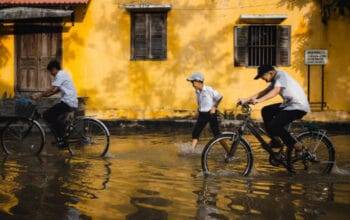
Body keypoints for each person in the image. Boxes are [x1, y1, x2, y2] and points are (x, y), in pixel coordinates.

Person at [237, 65, 310, 173]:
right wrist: (246, 99)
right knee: (266, 111)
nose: (263, 79)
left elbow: (275, 91)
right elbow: (264, 91)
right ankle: (276, 141)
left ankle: (298, 146)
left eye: (263, 76)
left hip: (298, 106)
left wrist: (258, 100)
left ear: (270, 73)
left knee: (275, 125)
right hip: (289, 105)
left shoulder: (281, 76)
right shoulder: (276, 78)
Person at [31, 60, 78, 148]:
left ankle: (61, 139)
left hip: (68, 102)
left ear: (54, 69)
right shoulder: (64, 74)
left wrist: (39, 95)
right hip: (70, 101)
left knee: (47, 115)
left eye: (51, 71)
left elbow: (53, 88)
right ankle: (62, 138)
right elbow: (56, 91)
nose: (51, 74)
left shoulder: (59, 75)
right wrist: (44, 95)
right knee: (57, 119)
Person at [187, 72, 228, 152]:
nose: (192, 84)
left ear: (199, 81)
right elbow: (201, 103)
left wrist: (214, 107)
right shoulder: (197, 92)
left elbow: (219, 97)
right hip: (202, 114)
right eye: (192, 82)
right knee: (195, 133)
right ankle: (192, 151)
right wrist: (198, 111)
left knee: (217, 135)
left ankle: (229, 151)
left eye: (193, 82)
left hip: (211, 114)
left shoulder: (209, 89)